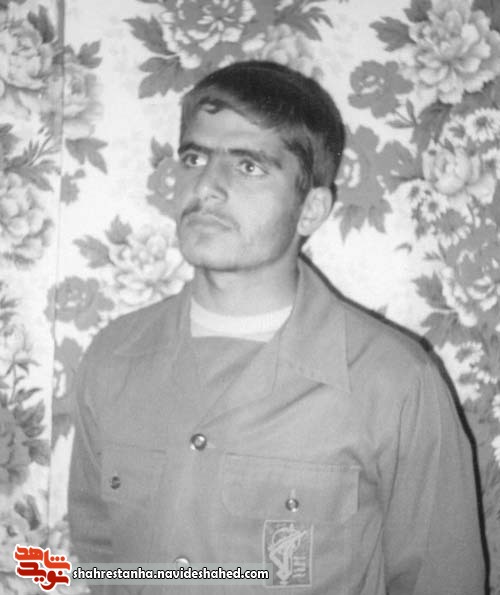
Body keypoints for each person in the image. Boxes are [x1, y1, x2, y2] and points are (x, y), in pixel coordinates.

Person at [68, 60, 486, 594]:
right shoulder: (112, 359)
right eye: (194, 158)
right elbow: (99, 557)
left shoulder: (396, 384)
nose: (207, 187)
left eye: (249, 166)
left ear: (310, 210)